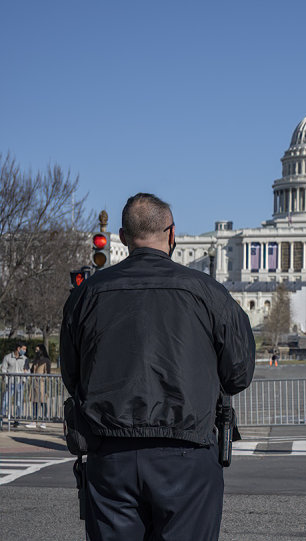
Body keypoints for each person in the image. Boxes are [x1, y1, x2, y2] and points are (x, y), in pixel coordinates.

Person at [60, 193, 255, 541]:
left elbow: (72, 376)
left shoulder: (86, 295)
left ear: (122, 237)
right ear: (172, 234)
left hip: (110, 453)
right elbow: (239, 372)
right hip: (186, 450)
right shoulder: (208, 292)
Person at [1, 344, 28, 424]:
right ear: (18, 348)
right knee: (5, 401)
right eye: (23, 349)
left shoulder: (25, 359)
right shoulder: (7, 357)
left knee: (19, 402)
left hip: (20, 383)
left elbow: (27, 370)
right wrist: (6, 380)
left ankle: (17, 420)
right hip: (10, 383)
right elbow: (4, 369)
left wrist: (24, 380)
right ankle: (1, 419)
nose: (25, 351)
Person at [28, 344, 51, 428]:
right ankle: (34, 420)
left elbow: (48, 373)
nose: (36, 351)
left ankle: (43, 420)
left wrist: (44, 381)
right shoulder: (35, 360)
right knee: (34, 402)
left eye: (37, 350)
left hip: (42, 383)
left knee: (43, 402)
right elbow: (31, 371)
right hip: (34, 383)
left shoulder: (46, 360)